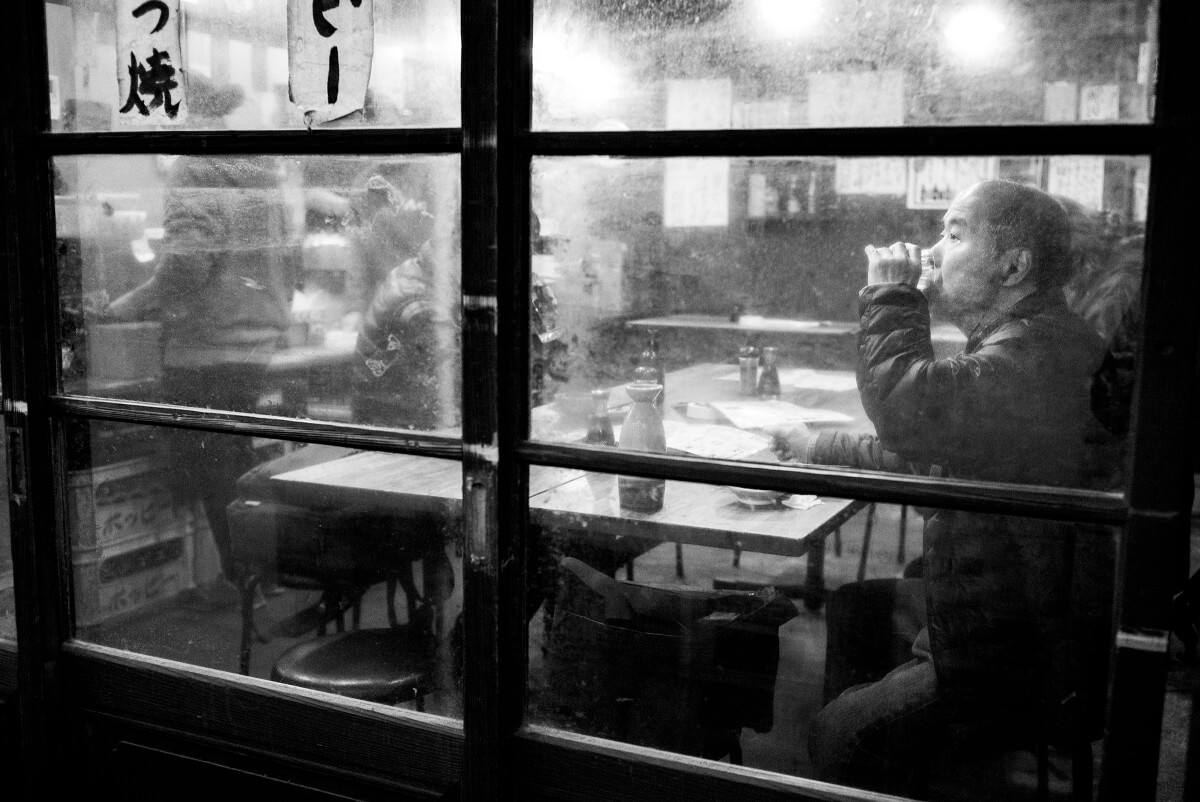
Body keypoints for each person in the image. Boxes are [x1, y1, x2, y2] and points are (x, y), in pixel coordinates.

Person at [768, 180, 1116, 795]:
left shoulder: (1034, 356)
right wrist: (816, 446)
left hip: (1017, 651)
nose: (931, 251)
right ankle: (908, 770)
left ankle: (876, 755)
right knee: (855, 610)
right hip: (1005, 606)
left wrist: (893, 294)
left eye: (954, 234)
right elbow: (933, 449)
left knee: (840, 733)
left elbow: (909, 409)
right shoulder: (1036, 340)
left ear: (1013, 267)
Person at [104, 75, 302, 597]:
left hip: (206, 347)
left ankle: (241, 580)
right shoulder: (260, 168)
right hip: (257, 340)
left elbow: (188, 265)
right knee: (238, 463)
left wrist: (127, 304)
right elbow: (288, 252)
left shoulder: (194, 165)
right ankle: (262, 576)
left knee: (214, 470)